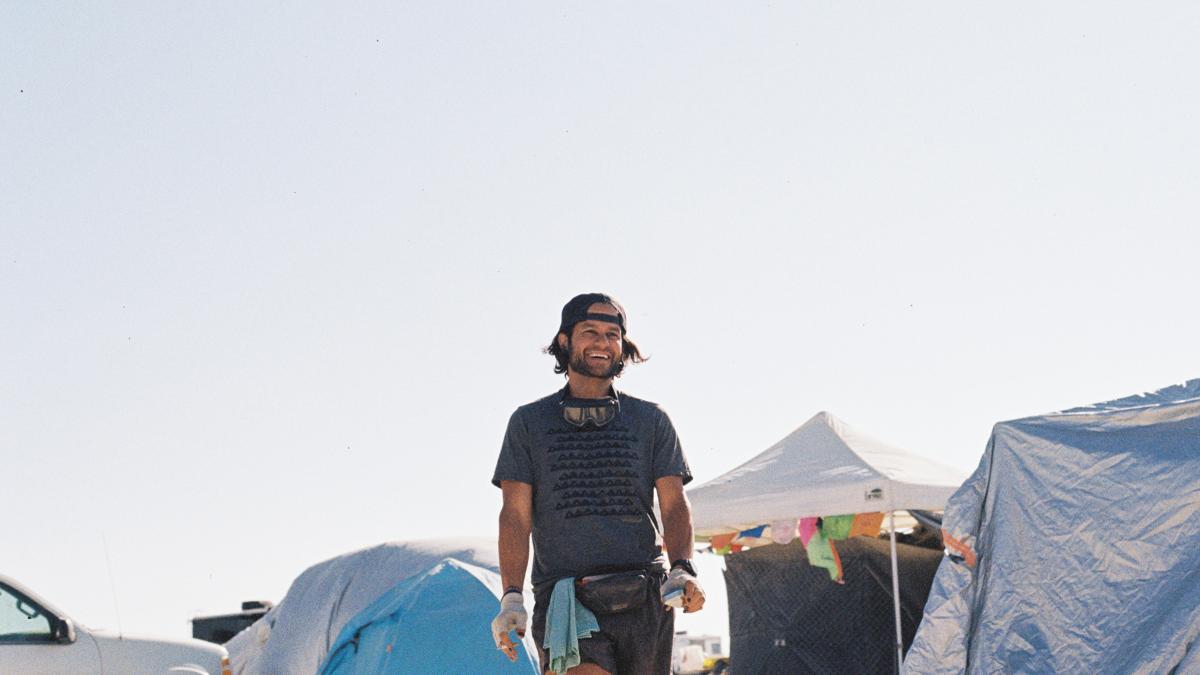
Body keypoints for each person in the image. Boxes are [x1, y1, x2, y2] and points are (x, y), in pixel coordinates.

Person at [491, 293, 705, 675]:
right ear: (564, 341)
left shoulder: (651, 420)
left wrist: (683, 567)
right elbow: (515, 516)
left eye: (612, 334)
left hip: (644, 594)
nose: (603, 343)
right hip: (567, 596)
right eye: (590, 332)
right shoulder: (529, 423)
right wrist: (512, 597)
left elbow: (674, 505)